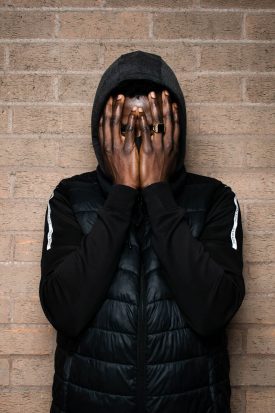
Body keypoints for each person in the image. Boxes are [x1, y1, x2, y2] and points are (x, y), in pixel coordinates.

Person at [39, 50, 245, 413]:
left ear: (174, 130)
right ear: (101, 131)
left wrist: (157, 192)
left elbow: (212, 312)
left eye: (153, 128)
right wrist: (121, 194)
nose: (139, 141)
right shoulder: (70, 197)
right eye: (124, 127)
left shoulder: (215, 199)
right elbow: (65, 311)